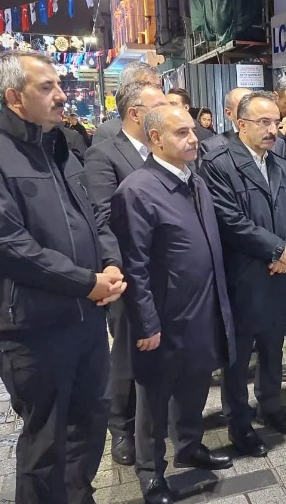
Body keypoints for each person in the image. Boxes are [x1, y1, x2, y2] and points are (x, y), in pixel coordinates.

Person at [0, 50, 125, 504]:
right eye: (47, 88)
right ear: (13, 97)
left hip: (85, 318)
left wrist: (109, 263)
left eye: (59, 85)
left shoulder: (61, 147)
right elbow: (3, 247)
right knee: (47, 439)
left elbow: (94, 218)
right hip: (30, 326)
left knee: (90, 421)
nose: (62, 95)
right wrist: (86, 281)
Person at [110, 106, 235, 503]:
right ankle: (150, 471)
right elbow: (135, 264)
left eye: (193, 131)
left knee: (196, 381)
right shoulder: (137, 190)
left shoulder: (193, 181)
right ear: (156, 139)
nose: (193, 138)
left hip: (201, 308)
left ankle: (190, 445)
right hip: (164, 315)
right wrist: (145, 322)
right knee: (154, 396)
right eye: (181, 133)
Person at [201, 91, 286, 456]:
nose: (272, 129)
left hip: (281, 274)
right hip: (245, 276)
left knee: (273, 347)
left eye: (275, 122)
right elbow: (230, 221)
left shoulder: (278, 161)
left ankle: (271, 407)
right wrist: (279, 250)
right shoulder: (218, 162)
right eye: (263, 122)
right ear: (240, 123)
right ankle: (240, 424)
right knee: (237, 356)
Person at [83, 81, 169, 467]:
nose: (168, 108)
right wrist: (116, 266)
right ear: (136, 113)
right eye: (160, 103)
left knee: (160, 350)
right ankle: (122, 427)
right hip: (131, 272)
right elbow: (104, 217)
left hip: (169, 271)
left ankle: (155, 422)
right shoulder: (104, 155)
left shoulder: (164, 148)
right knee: (127, 354)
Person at [93, 61, 160, 145]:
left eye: (158, 87)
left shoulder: (164, 125)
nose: (156, 92)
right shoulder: (107, 133)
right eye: (147, 86)